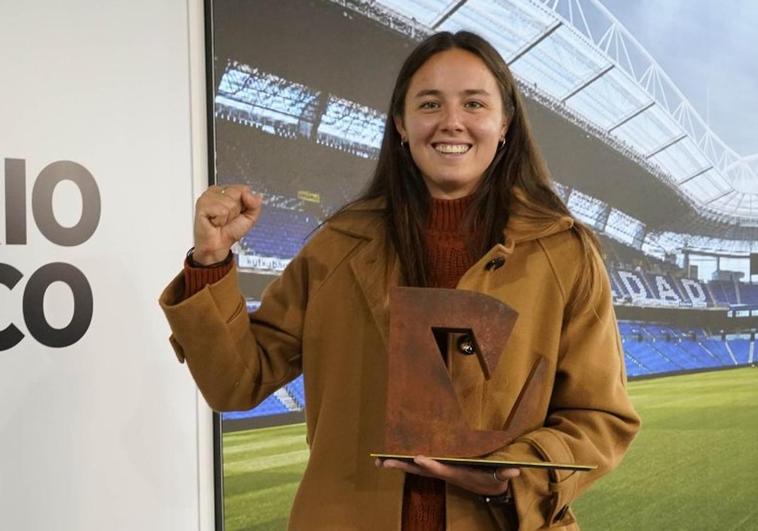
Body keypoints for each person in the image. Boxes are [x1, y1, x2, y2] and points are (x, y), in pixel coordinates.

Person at [160, 31, 640, 530]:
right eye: (429, 103)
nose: (451, 122)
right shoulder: (338, 246)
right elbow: (237, 382)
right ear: (401, 125)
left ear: (505, 125)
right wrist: (211, 263)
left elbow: (600, 417)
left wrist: (518, 474)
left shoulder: (564, 254)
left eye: (474, 103)